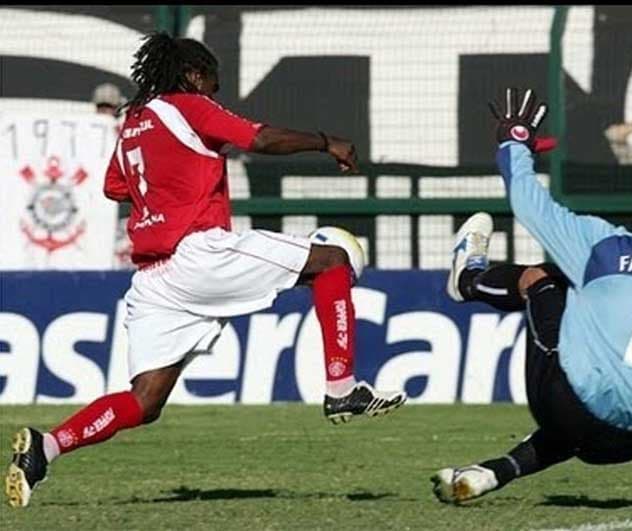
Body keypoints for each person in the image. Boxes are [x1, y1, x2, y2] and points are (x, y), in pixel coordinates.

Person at [5, 32, 406, 509]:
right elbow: (261, 138)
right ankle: (342, 388)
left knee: (145, 401)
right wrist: (326, 141)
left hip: (155, 279)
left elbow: (116, 187)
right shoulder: (187, 105)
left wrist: (166, 187)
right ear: (194, 74)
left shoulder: (134, 121)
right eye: (212, 83)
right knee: (332, 262)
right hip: (199, 252)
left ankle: (45, 449)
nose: (214, 94)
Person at [431, 88, 632, 504]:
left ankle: (468, 280)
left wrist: (514, 141)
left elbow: (526, 201)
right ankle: (493, 473)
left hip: (562, 402)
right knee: (587, 416)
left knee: (545, 279)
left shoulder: (609, 247)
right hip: (625, 443)